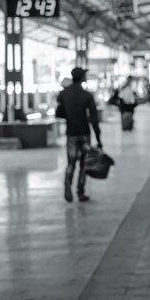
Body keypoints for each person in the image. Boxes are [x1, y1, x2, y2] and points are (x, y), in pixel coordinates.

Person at [56, 67, 102, 203]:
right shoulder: (87, 96)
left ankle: (67, 184)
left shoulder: (63, 94)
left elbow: (58, 113)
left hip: (71, 133)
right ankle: (80, 192)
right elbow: (94, 119)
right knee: (83, 164)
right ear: (82, 78)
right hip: (84, 134)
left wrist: (69, 116)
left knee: (71, 163)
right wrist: (99, 138)